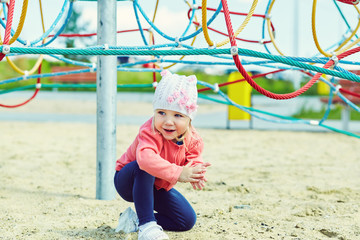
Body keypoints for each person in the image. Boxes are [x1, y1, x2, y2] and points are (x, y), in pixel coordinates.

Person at [114, 70, 211, 240]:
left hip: (156, 185)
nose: (168, 121)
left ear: (189, 119)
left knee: (186, 220)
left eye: (178, 115)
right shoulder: (150, 130)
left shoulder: (193, 139)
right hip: (128, 180)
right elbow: (144, 159)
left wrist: (196, 171)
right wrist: (179, 173)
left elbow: (194, 158)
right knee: (145, 165)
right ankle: (147, 226)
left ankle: (134, 221)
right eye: (161, 113)